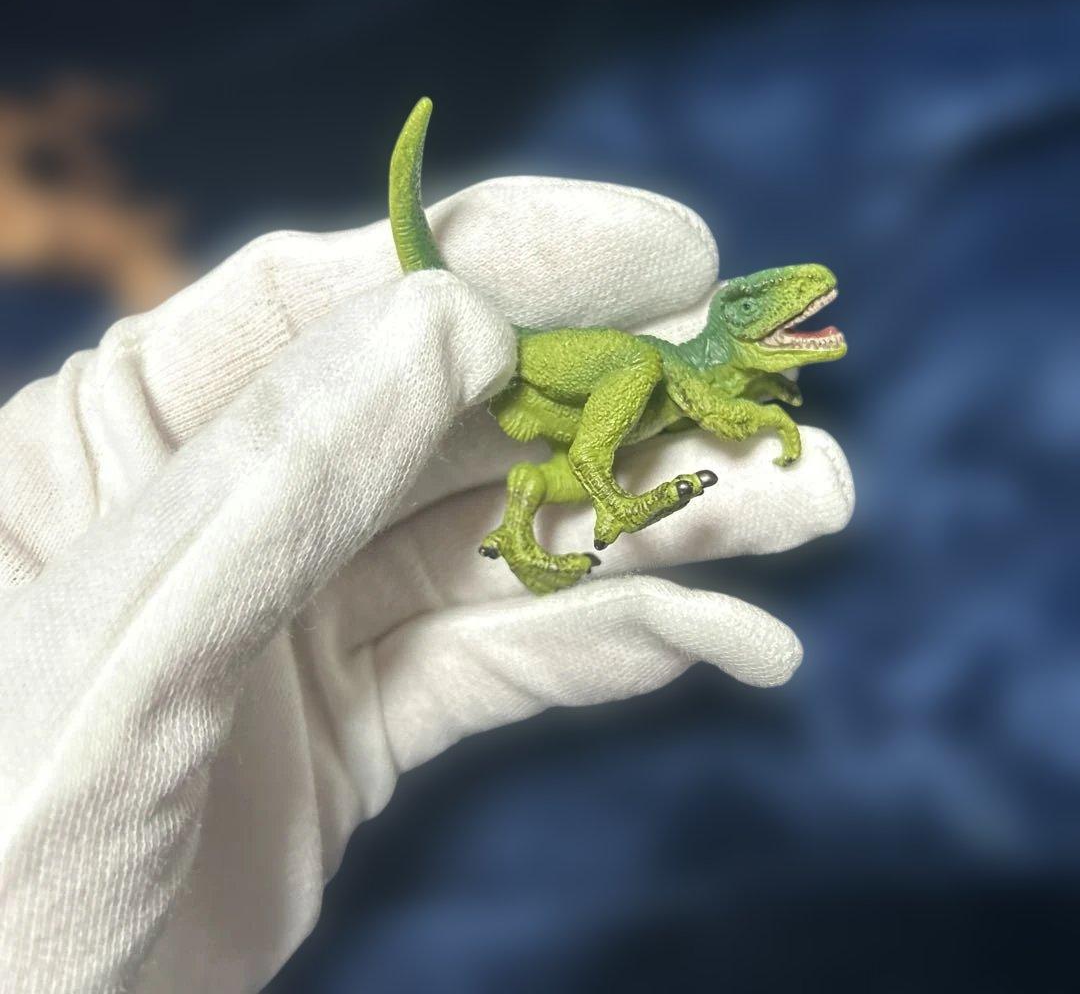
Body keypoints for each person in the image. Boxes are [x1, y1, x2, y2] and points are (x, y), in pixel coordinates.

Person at [0, 173, 853, 992]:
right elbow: (694, 396)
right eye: (755, 305)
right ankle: (599, 483)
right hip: (592, 377)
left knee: (571, 446)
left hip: (581, 414)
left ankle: (538, 512)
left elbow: (711, 402)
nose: (793, 301)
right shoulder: (667, 367)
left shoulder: (706, 377)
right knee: (636, 366)